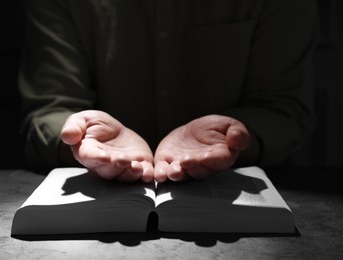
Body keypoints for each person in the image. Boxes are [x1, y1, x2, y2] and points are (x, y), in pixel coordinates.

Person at [18, 0, 319, 182]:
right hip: (98, 197)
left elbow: (285, 108)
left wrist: (236, 141)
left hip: (245, 195)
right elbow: (51, 110)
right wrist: (84, 144)